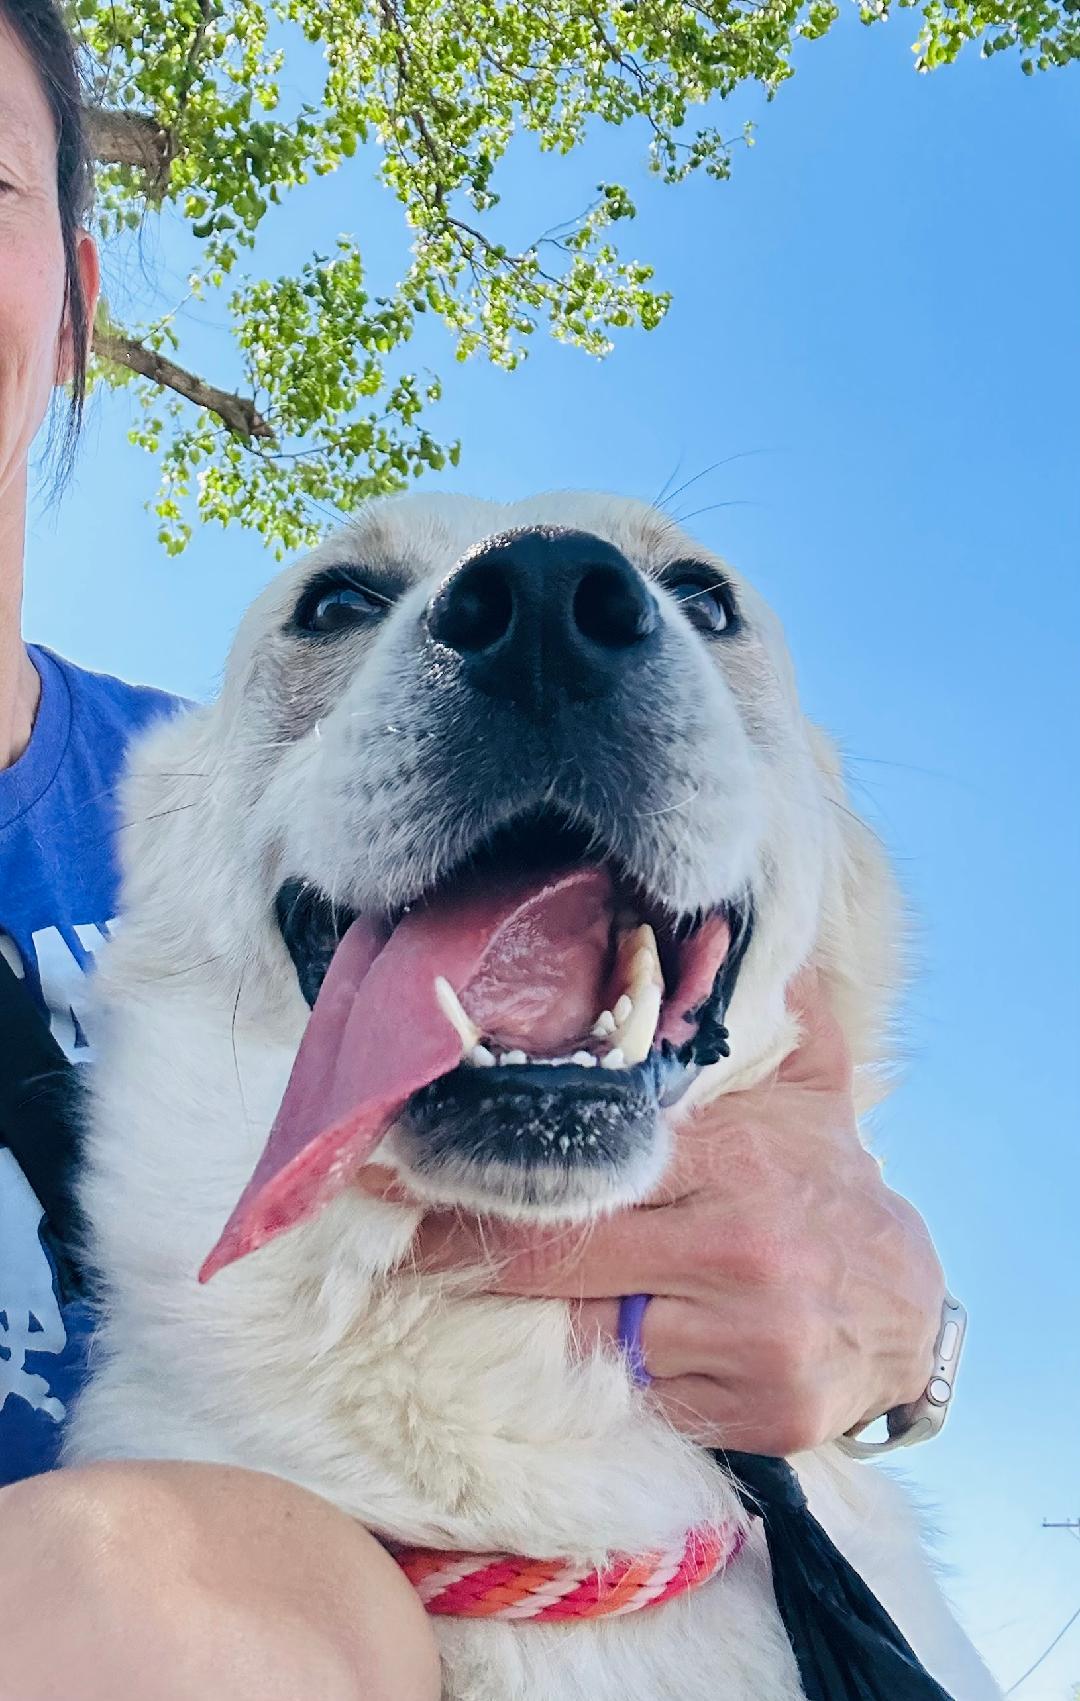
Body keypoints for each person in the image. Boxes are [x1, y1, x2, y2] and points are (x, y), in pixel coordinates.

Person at [0, 2, 946, 1695]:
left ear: (74, 301)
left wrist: (907, 1333)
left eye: (691, 607)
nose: (542, 609)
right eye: (344, 608)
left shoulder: (157, 775)